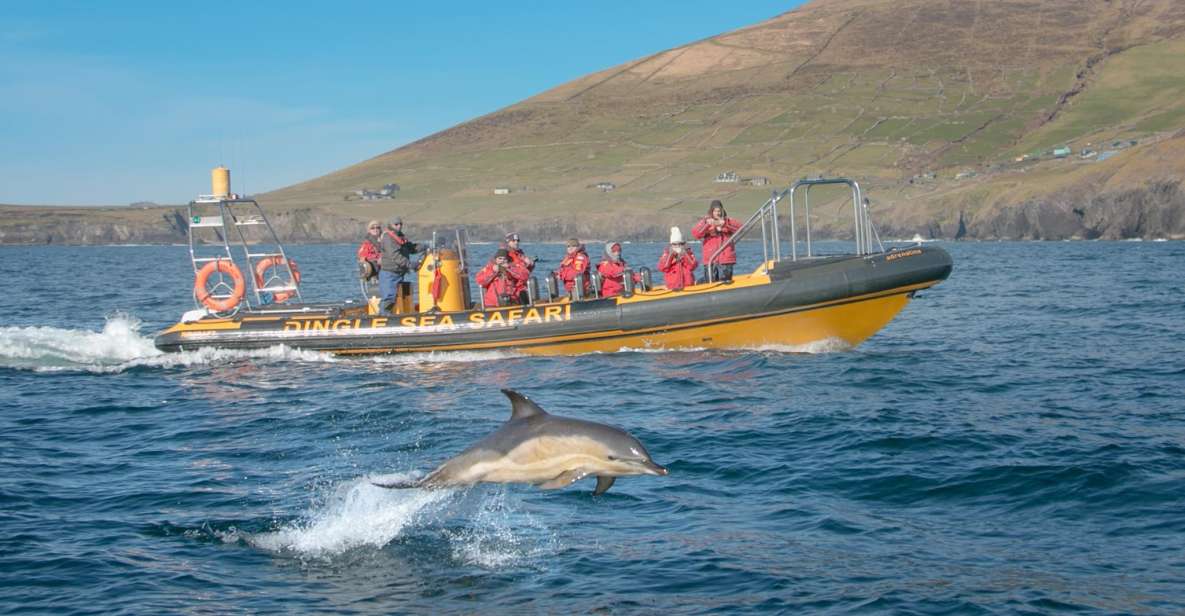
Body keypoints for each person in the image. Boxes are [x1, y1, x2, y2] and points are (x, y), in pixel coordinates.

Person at [691, 199, 742, 282]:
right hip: (710, 260)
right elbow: (695, 234)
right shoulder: (705, 222)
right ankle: (700, 283)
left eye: (719, 211)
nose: (717, 213)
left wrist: (725, 223)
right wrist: (707, 224)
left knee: (725, 282)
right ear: (711, 211)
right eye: (715, 211)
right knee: (710, 281)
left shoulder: (728, 221)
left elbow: (741, 228)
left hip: (725, 260)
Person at [379, 217, 421, 314]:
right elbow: (395, 256)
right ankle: (383, 318)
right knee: (389, 298)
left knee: (397, 297)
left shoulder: (400, 236)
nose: (399, 226)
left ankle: (390, 315)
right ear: (390, 225)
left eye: (400, 224)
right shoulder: (388, 237)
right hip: (389, 273)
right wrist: (410, 264)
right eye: (396, 224)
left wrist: (424, 247)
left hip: (399, 273)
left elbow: (411, 248)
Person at [657, 226, 697, 291]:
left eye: (680, 244)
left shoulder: (688, 253)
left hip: (688, 286)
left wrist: (685, 254)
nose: (677, 246)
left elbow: (693, 266)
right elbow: (662, 268)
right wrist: (671, 256)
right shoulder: (666, 254)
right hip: (672, 287)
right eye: (675, 244)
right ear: (671, 245)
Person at [505, 232, 535, 303]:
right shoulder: (505, 255)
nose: (516, 242)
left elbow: (526, 272)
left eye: (517, 241)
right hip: (513, 289)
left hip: (522, 287)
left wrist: (530, 264)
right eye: (513, 241)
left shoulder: (520, 254)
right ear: (508, 242)